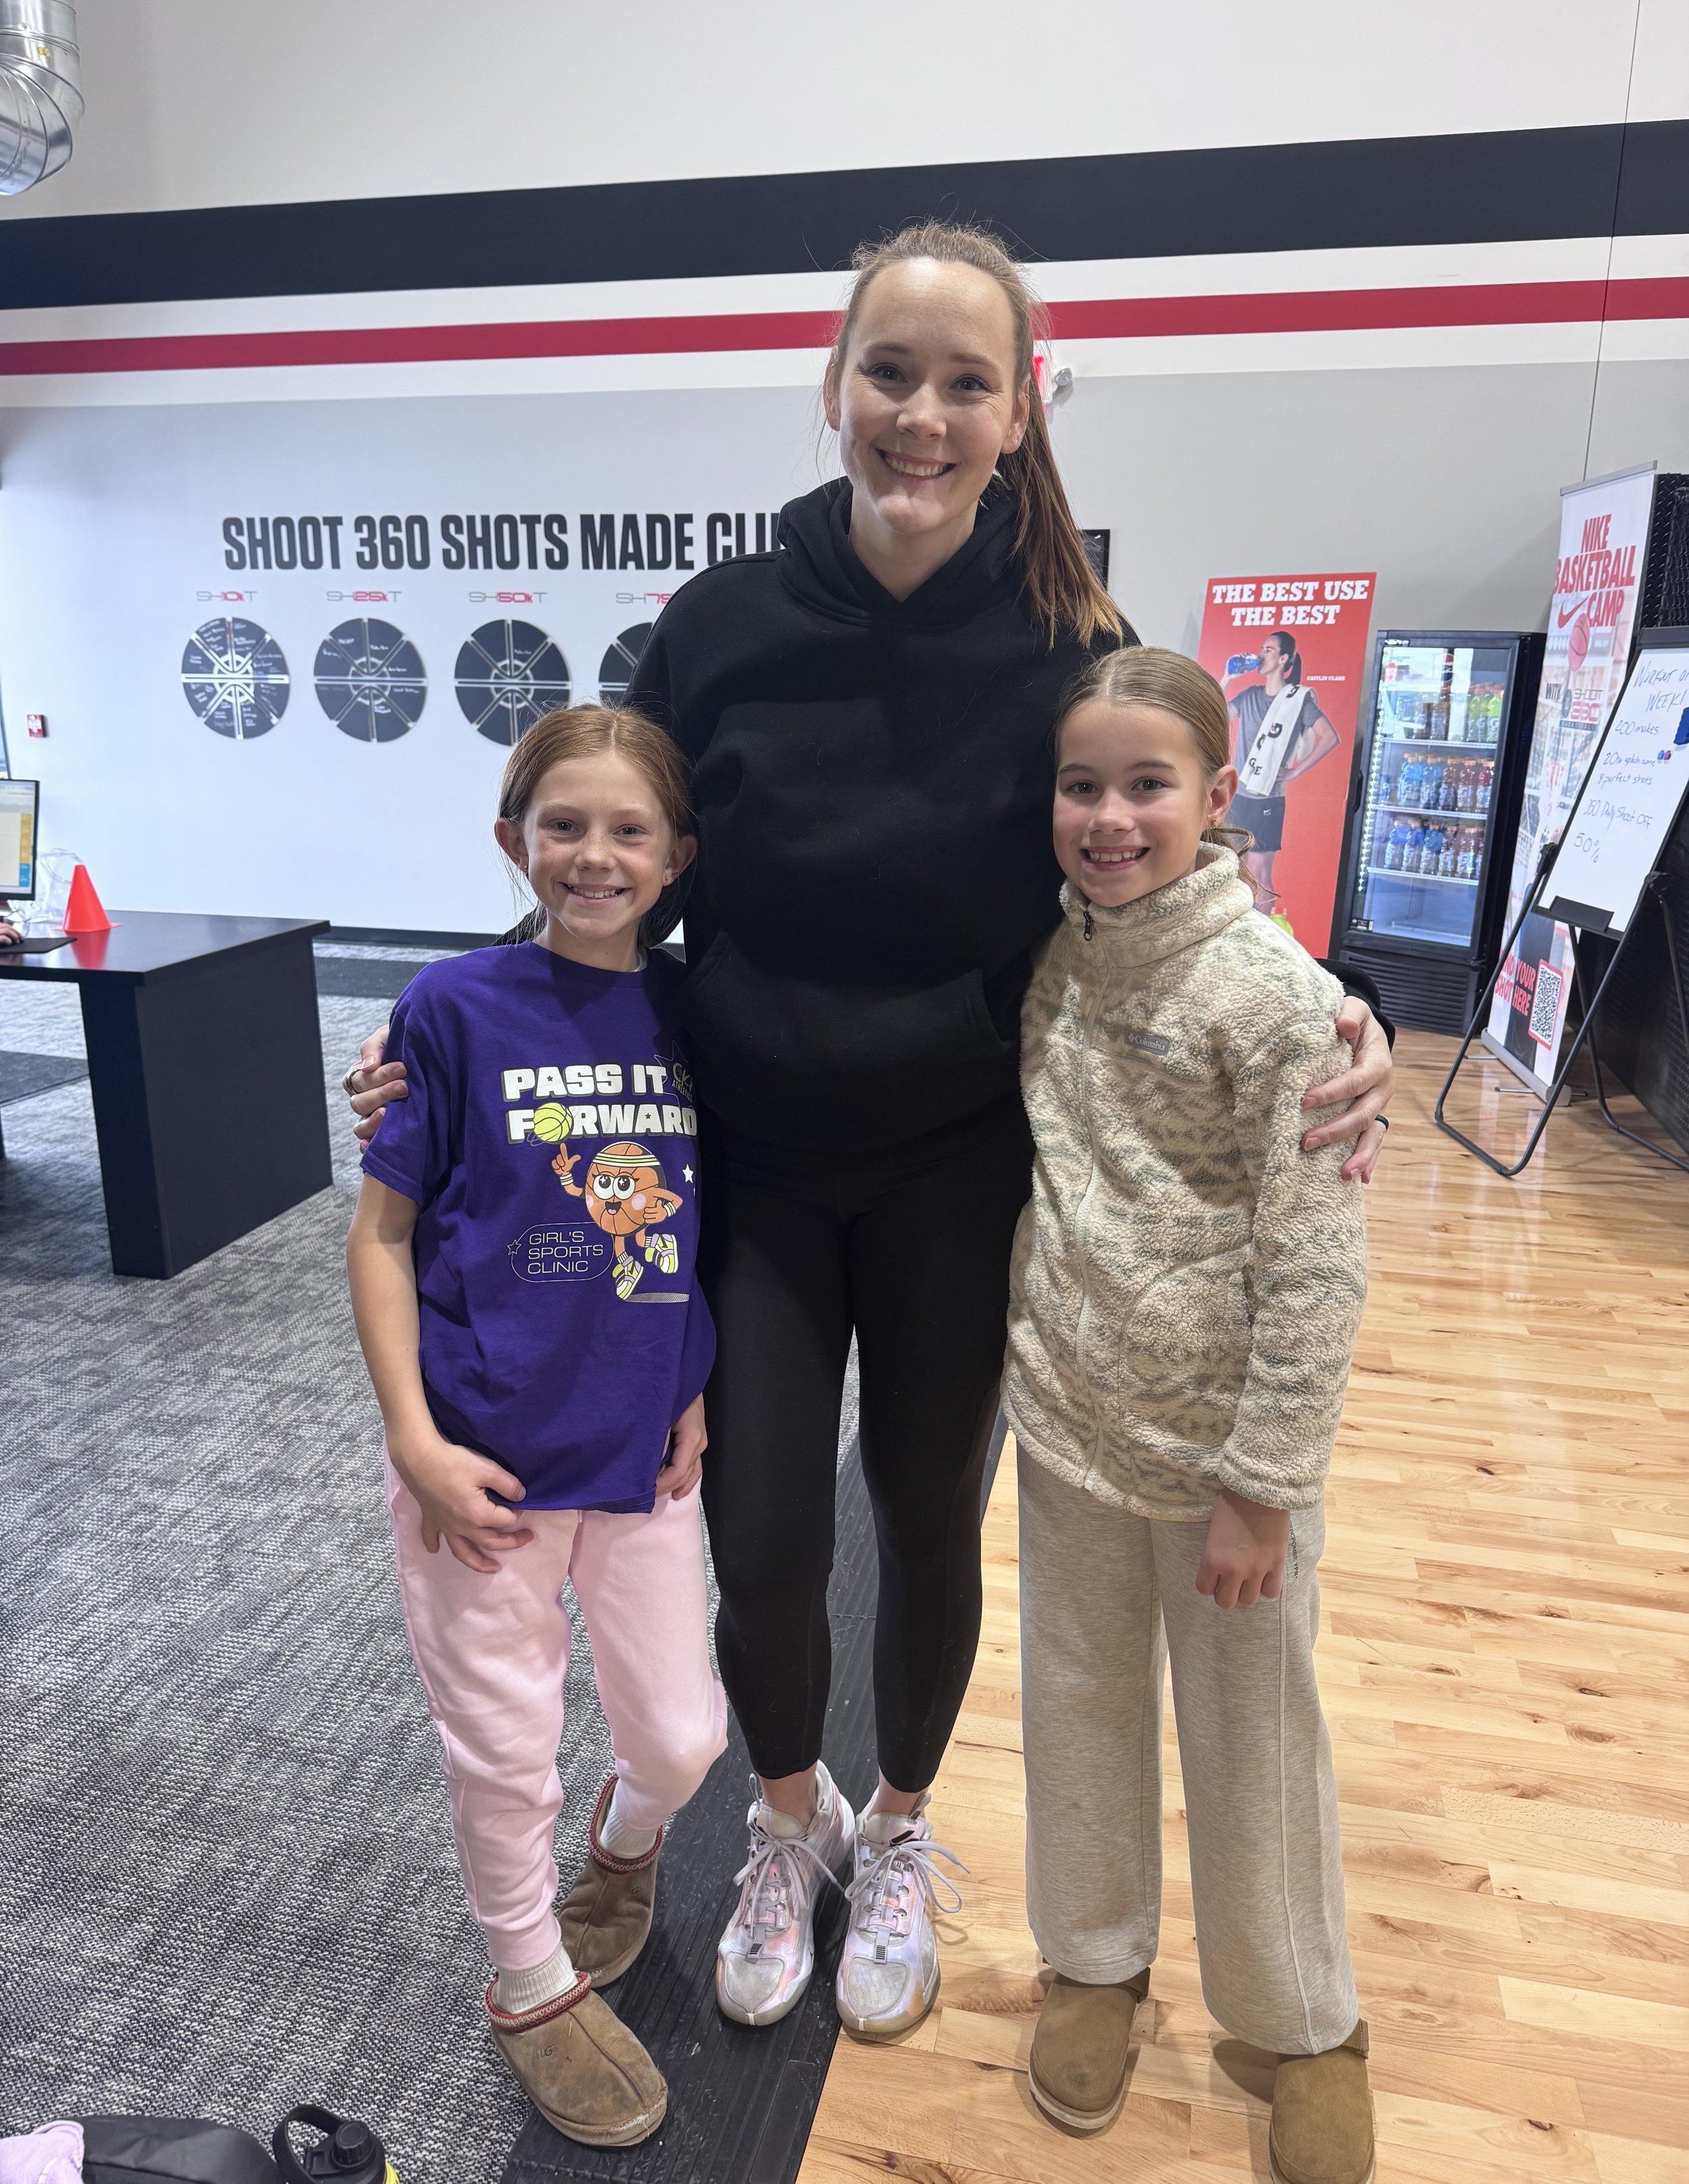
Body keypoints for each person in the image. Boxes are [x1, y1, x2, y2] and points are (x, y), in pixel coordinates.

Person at [346, 220, 1397, 2047]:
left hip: (953, 1168)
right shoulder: (723, 627)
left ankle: (898, 1828)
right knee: (753, 1537)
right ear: (832, 385)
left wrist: (1336, 1000)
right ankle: (781, 1826)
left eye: (963, 381)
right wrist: (454, 1036)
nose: (920, 414)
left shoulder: (1067, 633)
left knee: (921, 1517)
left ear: (1019, 406)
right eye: (888, 373)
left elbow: (1153, 842)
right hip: (740, 1168)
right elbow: (620, 876)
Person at [1007, 647, 1373, 2184]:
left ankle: (1302, 2024)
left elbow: (1314, 1268)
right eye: (1082, 785)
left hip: (1227, 1470)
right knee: (1078, 1715)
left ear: (1219, 797)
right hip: (1070, 1430)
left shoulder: (1278, 1003)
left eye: (1146, 785)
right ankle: (1094, 1962)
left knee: (1253, 1742)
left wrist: (1265, 1487)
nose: (1108, 816)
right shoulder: (1054, 955)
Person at [345, 705, 727, 2148]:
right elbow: (380, 1239)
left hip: (642, 1454)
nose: (594, 853)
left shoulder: (693, 1012)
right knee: (503, 1750)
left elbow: (699, 1221)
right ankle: (524, 1976)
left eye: (629, 828)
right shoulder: (447, 1008)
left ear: (677, 856)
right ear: (515, 839)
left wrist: (689, 1378)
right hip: (482, 1466)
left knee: (681, 1738)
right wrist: (411, 1439)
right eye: (563, 824)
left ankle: (621, 1853)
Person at [1228, 629, 1341, 914]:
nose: (1261, 654)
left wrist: (1295, 772)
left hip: (1268, 799)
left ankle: (1263, 941)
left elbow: (1330, 736)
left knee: (1259, 874)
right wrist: (1229, 676)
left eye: (1268, 650)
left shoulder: (1297, 700)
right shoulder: (1250, 695)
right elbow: (1213, 710)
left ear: (1284, 659)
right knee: (1232, 869)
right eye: (1262, 648)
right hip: (1238, 795)